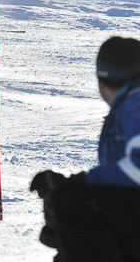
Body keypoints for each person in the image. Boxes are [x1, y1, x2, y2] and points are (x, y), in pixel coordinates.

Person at [30, 36, 140, 262]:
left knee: (74, 206)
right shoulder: (129, 103)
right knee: (73, 209)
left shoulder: (135, 104)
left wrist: (80, 184)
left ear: (101, 82)